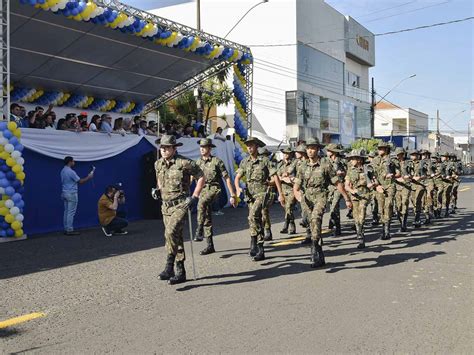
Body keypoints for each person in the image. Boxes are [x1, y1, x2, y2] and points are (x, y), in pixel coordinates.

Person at [152, 135, 205, 285]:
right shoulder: (158, 164)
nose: (164, 150)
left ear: (174, 148)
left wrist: (194, 196)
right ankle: (180, 272)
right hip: (165, 205)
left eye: (167, 147)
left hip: (181, 204)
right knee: (176, 236)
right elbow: (159, 180)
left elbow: (201, 176)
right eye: (162, 147)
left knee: (170, 232)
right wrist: (158, 190)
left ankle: (169, 267)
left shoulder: (184, 163)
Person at [293, 138, 352, 268]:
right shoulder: (302, 166)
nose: (310, 150)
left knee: (315, 219)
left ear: (318, 149)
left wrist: (347, 198)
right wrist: (299, 198)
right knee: (313, 224)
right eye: (308, 148)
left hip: (320, 195)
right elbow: (296, 187)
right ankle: (319, 250)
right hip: (307, 197)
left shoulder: (325, 164)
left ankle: (314, 250)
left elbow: (336, 182)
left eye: (313, 148)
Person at [234, 137, 285, 262]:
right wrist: (237, 189)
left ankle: (256, 244)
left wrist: (281, 194)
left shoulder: (265, 161)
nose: (249, 148)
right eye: (248, 146)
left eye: (251, 146)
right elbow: (238, 177)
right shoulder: (245, 162)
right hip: (250, 195)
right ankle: (257, 245)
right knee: (254, 219)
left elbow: (275, 177)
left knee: (252, 216)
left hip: (262, 193)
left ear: (257, 147)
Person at [194, 138, 237, 255]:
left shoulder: (217, 161)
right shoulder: (198, 162)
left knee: (201, 204)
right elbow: (192, 177)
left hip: (214, 189)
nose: (202, 149)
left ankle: (199, 230)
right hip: (202, 190)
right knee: (206, 217)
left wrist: (232, 194)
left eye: (204, 147)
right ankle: (210, 245)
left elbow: (227, 178)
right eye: (201, 147)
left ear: (209, 148)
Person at [344, 149, 371, 249]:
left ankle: (360, 230)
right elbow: (346, 185)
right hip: (354, 195)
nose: (352, 160)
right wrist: (352, 191)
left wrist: (372, 184)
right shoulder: (350, 171)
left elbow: (373, 179)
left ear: (360, 159)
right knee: (356, 216)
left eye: (354, 158)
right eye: (352, 158)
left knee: (362, 210)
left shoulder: (367, 168)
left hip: (365, 194)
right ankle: (360, 235)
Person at [60, 156, 94, 235]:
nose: (74, 162)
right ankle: (69, 229)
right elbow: (80, 181)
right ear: (70, 162)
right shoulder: (71, 172)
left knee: (66, 211)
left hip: (64, 192)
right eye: (73, 161)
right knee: (71, 212)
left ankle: (66, 228)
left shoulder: (63, 171)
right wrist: (89, 177)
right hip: (71, 193)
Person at [371, 142, 396, 240]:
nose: (379, 150)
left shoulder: (392, 159)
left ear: (386, 149)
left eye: (381, 148)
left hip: (390, 185)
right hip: (379, 186)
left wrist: (393, 174)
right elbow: (371, 174)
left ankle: (387, 230)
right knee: (381, 209)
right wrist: (376, 184)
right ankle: (384, 229)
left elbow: (398, 173)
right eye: (378, 148)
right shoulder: (375, 160)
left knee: (388, 205)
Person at [325, 143, 346, 236]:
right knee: (334, 208)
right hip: (329, 187)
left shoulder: (341, 161)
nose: (327, 152)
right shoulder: (325, 161)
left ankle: (335, 225)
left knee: (334, 206)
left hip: (338, 186)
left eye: (328, 150)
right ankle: (337, 227)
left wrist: (342, 173)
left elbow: (349, 172)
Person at [277, 147, 297, 235]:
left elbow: (295, 177)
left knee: (289, 207)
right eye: (284, 153)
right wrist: (283, 179)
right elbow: (277, 177)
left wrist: (287, 178)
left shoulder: (294, 164)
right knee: (287, 209)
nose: (286, 154)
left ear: (291, 154)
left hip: (292, 189)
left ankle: (286, 225)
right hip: (283, 189)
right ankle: (292, 224)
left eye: (288, 153)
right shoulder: (280, 164)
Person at [407, 150, 426, 227]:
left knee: (417, 200)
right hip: (412, 185)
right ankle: (417, 215)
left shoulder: (422, 163)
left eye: (415, 154)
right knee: (413, 201)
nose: (413, 156)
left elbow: (426, 174)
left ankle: (417, 218)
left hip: (420, 184)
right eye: (412, 154)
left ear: (418, 155)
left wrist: (419, 177)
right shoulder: (408, 163)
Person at [393, 147, 411, 232]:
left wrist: (406, 177)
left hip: (406, 186)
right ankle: (401, 222)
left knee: (405, 203)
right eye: (397, 154)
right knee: (398, 206)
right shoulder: (393, 163)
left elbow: (412, 173)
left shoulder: (408, 162)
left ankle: (404, 223)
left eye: (400, 154)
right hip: (396, 186)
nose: (398, 156)